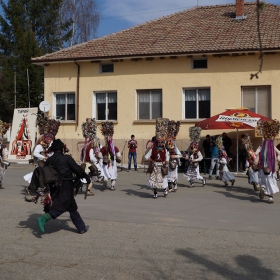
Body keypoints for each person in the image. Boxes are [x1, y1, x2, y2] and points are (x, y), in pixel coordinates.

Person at [37, 139, 90, 234]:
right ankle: (43, 218)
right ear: (62, 149)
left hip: (54, 186)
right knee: (62, 205)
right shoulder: (66, 158)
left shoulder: (49, 160)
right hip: (65, 185)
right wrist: (86, 176)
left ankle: (81, 227)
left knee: (72, 207)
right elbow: (77, 169)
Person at [254, 120, 280, 204]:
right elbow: (278, 154)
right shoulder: (272, 146)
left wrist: (255, 162)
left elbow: (256, 154)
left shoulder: (261, 146)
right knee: (271, 182)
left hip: (262, 168)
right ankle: (270, 197)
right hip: (271, 168)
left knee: (263, 181)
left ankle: (263, 188)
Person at [144, 118, 169, 198]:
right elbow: (146, 156)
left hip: (162, 166)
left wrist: (167, 161)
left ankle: (165, 190)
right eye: (159, 142)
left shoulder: (164, 149)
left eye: (162, 142)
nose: (160, 143)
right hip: (154, 166)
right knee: (154, 180)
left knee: (163, 179)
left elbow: (167, 156)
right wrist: (148, 159)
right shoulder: (153, 149)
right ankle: (155, 192)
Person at [100, 121, 121, 191]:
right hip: (112, 163)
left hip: (106, 163)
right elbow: (119, 155)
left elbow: (100, 155)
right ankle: (112, 186)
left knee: (106, 174)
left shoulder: (103, 148)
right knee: (113, 175)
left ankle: (105, 180)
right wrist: (118, 158)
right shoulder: (115, 148)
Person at [166, 120, 181, 192]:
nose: (170, 143)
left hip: (174, 163)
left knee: (174, 176)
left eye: (171, 142)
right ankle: (170, 187)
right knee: (168, 175)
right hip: (168, 163)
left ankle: (175, 185)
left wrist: (174, 157)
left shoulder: (175, 149)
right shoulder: (166, 149)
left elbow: (180, 155)